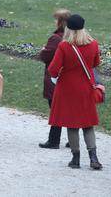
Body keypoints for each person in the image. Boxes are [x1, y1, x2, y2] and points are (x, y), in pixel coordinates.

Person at [47, 14, 103, 170]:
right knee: (88, 124)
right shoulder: (93, 44)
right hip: (86, 87)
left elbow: (53, 69)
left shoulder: (64, 46)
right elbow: (95, 63)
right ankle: (93, 157)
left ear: (68, 29)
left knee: (72, 125)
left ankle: (75, 158)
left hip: (68, 89)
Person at [39, 9, 72, 149]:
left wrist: (42, 50)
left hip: (56, 79)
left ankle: (54, 140)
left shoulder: (56, 39)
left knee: (55, 110)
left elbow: (46, 56)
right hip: (70, 79)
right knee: (70, 109)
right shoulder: (75, 37)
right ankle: (73, 138)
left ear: (60, 22)